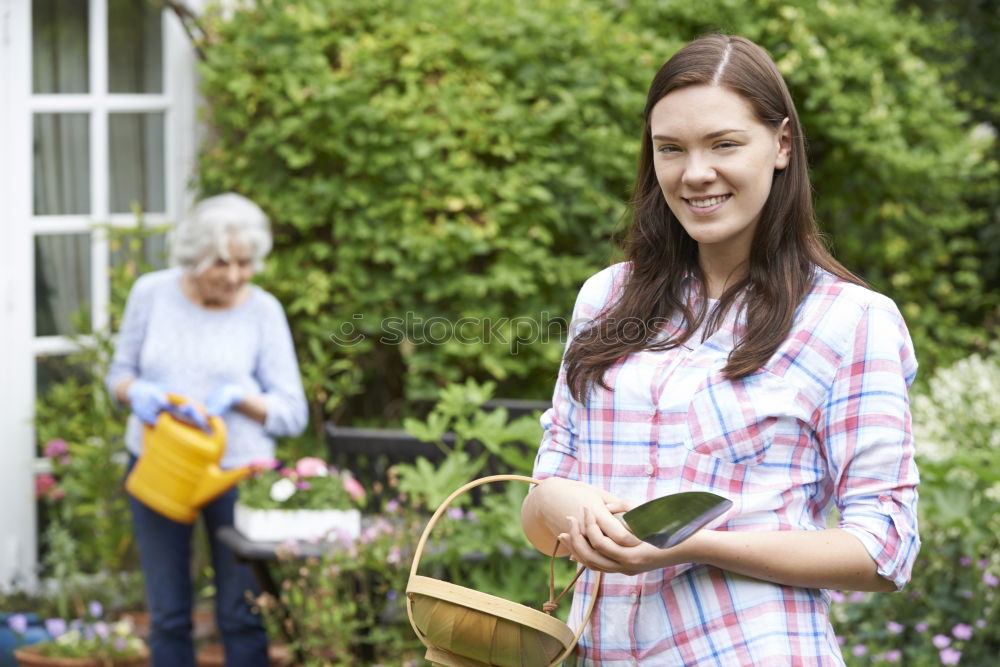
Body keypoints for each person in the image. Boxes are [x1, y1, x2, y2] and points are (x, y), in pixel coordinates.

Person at [521, 35, 919, 665]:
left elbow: (884, 549)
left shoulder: (850, 320)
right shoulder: (605, 300)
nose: (695, 173)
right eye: (670, 149)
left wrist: (693, 543)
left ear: (781, 145)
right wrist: (558, 502)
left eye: (724, 144)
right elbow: (542, 510)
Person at [106, 193, 308, 667]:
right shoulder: (151, 294)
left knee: (241, 614)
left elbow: (293, 411)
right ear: (192, 256)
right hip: (160, 468)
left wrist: (242, 398)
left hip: (236, 473)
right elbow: (118, 375)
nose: (236, 275)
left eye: (246, 263)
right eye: (222, 262)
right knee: (169, 614)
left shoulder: (263, 311)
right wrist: (136, 393)